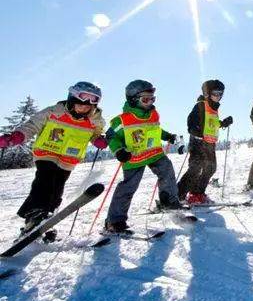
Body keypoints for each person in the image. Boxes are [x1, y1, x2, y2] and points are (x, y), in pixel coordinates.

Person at [0, 82, 106, 238]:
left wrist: (98, 140)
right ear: (71, 100)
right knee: (45, 179)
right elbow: (32, 125)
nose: (84, 108)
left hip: (68, 159)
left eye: (88, 107)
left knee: (57, 189)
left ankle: (45, 220)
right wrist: (17, 136)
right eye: (80, 105)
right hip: (47, 152)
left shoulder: (95, 120)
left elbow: (96, 134)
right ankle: (36, 213)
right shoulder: (53, 112)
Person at [104, 80, 184, 234]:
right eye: (145, 99)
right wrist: (119, 151)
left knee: (166, 169)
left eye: (152, 99)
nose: (150, 103)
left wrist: (169, 137)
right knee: (129, 187)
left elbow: (156, 130)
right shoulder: (121, 120)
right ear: (133, 99)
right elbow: (110, 137)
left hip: (153, 153)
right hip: (134, 157)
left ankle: (168, 202)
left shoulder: (153, 114)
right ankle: (115, 221)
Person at [177, 80, 233, 205]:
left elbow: (211, 124)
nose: (218, 96)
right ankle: (178, 195)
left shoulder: (214, 109)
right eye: (215, 93)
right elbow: (191, 121)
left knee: (211, 168)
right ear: (207, 93)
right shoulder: (201, 105)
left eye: (220, 94)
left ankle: (197, 194)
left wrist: (223, 123)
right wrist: (195, 131)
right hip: (198, 142)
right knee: (195, 169)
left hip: (209, 144)